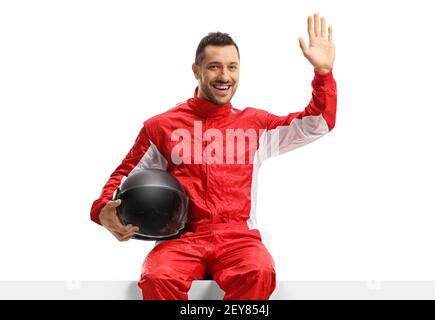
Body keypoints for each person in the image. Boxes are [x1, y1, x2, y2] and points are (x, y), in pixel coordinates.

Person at [90, 13, 337, 300]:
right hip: (182, 238)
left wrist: (323, 75)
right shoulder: (161, 127)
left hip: (238, 238)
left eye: (232, 67)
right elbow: (123, 175)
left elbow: (317, 123)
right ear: (196, 71)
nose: (224, 76)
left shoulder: (255, 125)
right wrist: (102, 210)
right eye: (214, 67)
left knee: (259, 273)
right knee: (157, 278)